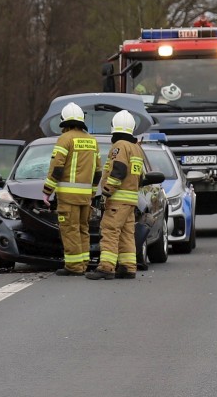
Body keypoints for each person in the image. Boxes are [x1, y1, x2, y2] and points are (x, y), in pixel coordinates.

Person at [88, 109, 147, 280]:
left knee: (110, 231)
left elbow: (118, 170)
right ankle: (128, 267)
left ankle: (106, 268)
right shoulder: (137, 148)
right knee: (127, 233)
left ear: (114, 126)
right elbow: (141, 176)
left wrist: (107, 191)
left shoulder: (120, 146)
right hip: (131, 200)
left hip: (118, 200)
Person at [43, 101, 99, 276]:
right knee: (83, 229)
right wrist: (92, 192)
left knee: (70, 229)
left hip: (68, 197)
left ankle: (74, 266)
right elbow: (98, 172)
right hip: (86, 197)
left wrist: (47, 191)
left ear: (64, 121)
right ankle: (83, 263)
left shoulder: (65, 139)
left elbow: (57, 168)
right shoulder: (92, 141)